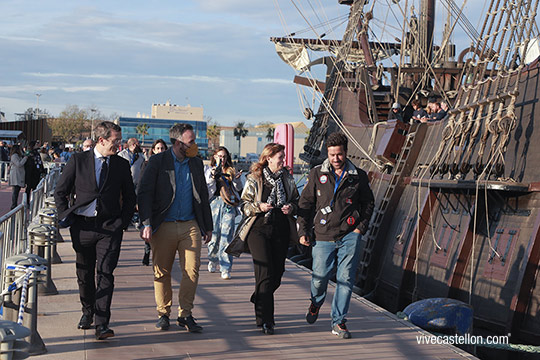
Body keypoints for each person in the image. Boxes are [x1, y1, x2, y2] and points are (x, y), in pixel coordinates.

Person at [54, 121, 136, 340]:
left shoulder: (120, 165)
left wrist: (123, 222)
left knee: (106, 273)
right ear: (102, 140)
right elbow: (60, 191)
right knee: (84, 273)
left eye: (119, 141)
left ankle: (102, 324)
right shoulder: (78, 160)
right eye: (115, 141)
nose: (119, 145)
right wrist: (66, 217)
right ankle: (87, 312)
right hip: (82, 227)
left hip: (110, 228)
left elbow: (130, 197)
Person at [297, 132, 374, 339]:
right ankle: (316, 302)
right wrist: (303, 231)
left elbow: (368, 203)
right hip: (323, 235)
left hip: (350, 235)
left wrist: (360, 228)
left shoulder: (358, 176)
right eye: (331, 155)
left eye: (339, 154)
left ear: (346, 153)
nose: (335, 159)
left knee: (345, 278)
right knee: (319, 278)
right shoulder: (316, 175)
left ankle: (338, 321)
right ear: (327, 154)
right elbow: (305, 204)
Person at [138, 124, 212, 332]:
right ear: (178, 143)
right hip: (164, 225)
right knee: (161, 271)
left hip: (190, 225)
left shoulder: (196, 163)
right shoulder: (157, 162)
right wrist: (146, 223)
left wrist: (207, 226)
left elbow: (202, 196)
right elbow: (144, 193)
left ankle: (185, 314)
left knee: (192, 270)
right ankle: (163, 313)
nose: (195, 145)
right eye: (191, 142)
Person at [226, 143, 299, 335]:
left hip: (280, 230)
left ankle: (259, 297)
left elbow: (296, 201)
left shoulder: (288, 179)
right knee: (265, 272)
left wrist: (291, 207)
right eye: (280, 157)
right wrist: (259, 207)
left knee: (277, 274)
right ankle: (267, 320)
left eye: (283, 157)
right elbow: (244, 205)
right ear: (269, 158)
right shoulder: (255, 178)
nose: (283, 161)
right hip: (258, 230)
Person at [204, 146, 243, 280]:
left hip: (228, 204)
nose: (222, 159)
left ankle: (225, 267)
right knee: (214, 235)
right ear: (214, 157)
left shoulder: (231, 171)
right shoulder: (209, 170)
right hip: (214, 203)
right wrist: (213, 176)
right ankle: (212, 259)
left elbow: (238, 189)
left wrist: (237, 179)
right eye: (220, 156)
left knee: (227, 235)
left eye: (224, 156)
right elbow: (208, 190)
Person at [139, 139, 168, 266]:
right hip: (151, 202)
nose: (160, 151)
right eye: (158, 148)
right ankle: (147, 252)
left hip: (164, 204)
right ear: (153, 150)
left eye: (162, 148)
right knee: (149, 229)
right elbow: (142, 185)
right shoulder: (147, 164)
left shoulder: (169, 165)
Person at [24, 141, 45, 205]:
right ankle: (27, 202)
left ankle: (34, 202)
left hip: (36, 172)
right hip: (30, 172)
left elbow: (39, 162)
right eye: (36, 144)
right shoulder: (29, 153)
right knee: (28, 188)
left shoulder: (37, 153)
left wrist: (42, 170)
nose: (37, 145)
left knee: (35, 188)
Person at [8, 145, 27, 209]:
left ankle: (14, 204)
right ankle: (13, 205)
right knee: (15, 190)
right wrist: (25, 158)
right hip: (16, 175)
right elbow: (19, 164)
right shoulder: (14, 156)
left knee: (17, 190)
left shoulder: (18, 156)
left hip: (18, 174)